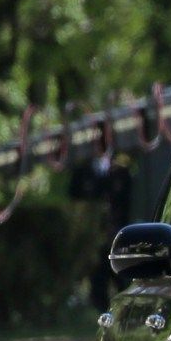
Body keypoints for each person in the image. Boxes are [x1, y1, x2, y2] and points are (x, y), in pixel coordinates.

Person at [68, 126, 133, 310]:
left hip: (116, 236)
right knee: (98, 282)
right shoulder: (83, 172)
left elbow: (126, 201)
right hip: (94, 238)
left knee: (122, 279)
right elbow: (75, 197)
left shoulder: (120, 171)